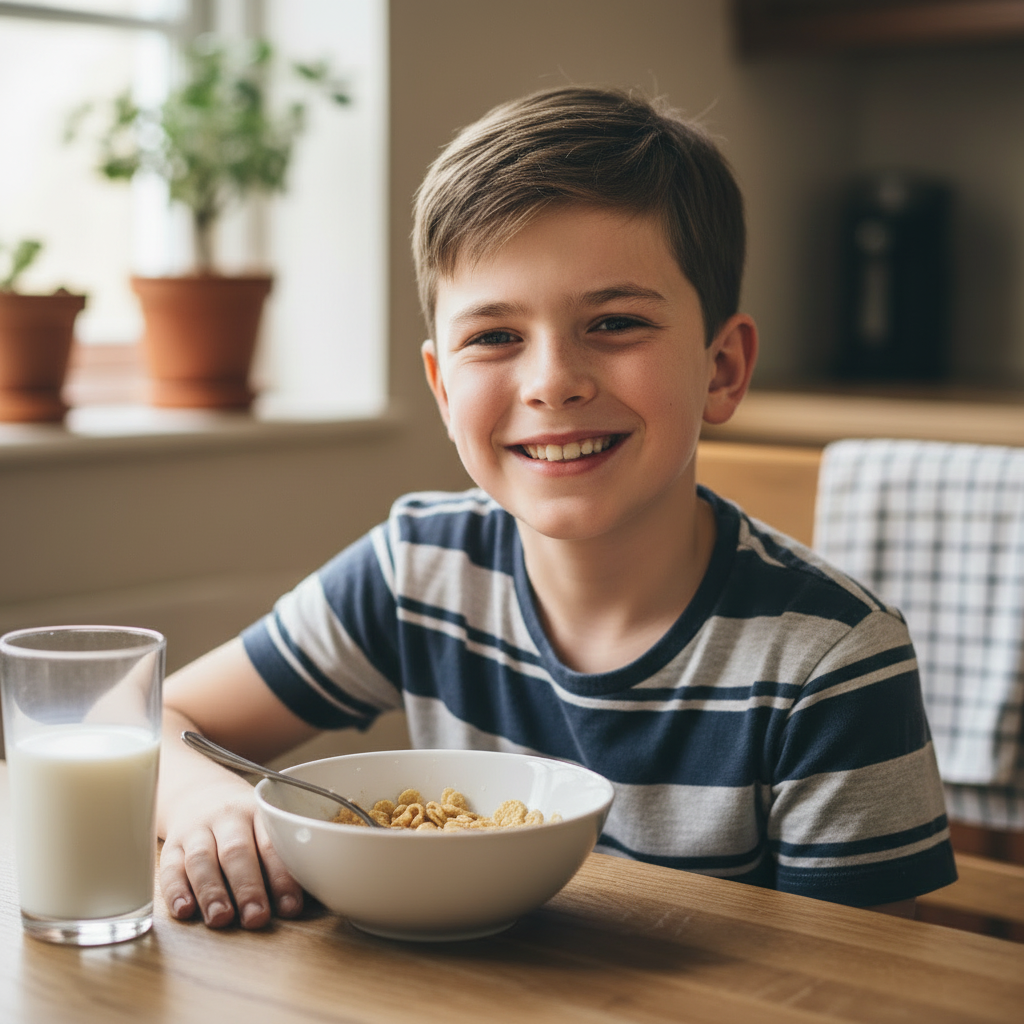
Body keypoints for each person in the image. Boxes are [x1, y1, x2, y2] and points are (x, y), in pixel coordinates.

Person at [157, 86, 957, 930]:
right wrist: (205, 800)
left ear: (721, 368)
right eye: (495, 337)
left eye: (614, 322)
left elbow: (857, 985)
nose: (552, 382)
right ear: (441, 387)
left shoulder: (830, 661)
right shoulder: (419, 569)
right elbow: (146, 717)